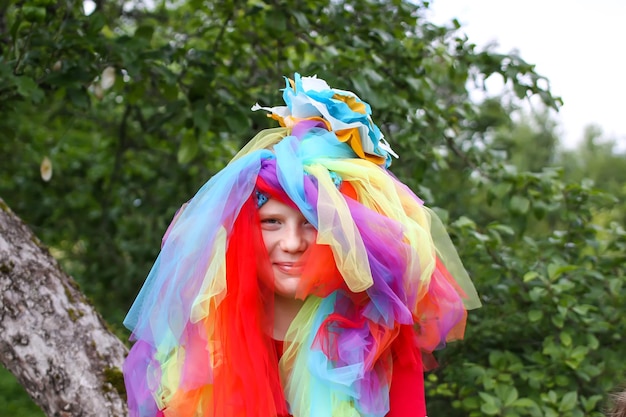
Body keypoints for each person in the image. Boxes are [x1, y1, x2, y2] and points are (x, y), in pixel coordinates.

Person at [122, 73, 481, 417]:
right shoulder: (203, 336)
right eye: (271, 223)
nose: (292, 243)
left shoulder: (376, 338)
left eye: (311, 224)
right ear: (244, 230)